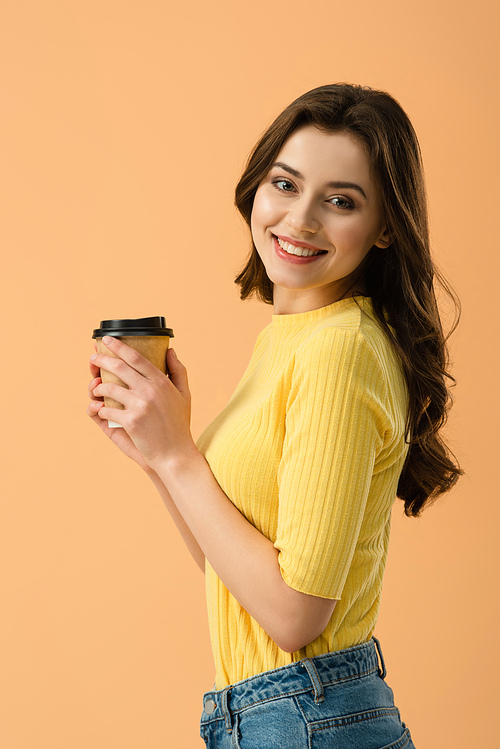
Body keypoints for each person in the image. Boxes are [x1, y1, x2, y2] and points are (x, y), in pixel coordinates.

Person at [87, 83, 462, 748]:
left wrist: (180, 455)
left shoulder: (339, 348)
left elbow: (295, 615)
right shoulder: (292, 340)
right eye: (285, 184)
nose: (300, 219)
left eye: (340, 200)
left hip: (305, 720)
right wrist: (159, 458)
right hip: (282, 718)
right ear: (256, 188)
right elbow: (237, 573)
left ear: (384, 229)